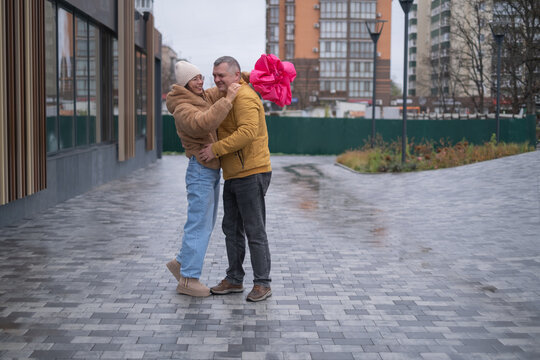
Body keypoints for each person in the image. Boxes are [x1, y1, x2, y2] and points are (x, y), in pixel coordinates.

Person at [199, 56, 273, 302]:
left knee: (254, 230)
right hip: (234, 173)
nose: (217, 79)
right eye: (215, 74)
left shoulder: (245, 97)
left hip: (251, 172)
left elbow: (247, 133)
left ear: (236, 74)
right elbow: (202, 96)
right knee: (231, 228)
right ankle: (234, 279)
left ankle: (262, 283)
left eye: (221, 75)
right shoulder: (224, 94)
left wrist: (216, 149)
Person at [165, 60, 240, 297]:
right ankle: (188, 279)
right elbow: (202, 124)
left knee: (205, 224)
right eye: (195, 78)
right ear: (184, 82)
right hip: (199, 170)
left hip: (209, 169)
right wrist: (228, 101)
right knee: (199, 225)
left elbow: (218, 88)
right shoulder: (182, 107)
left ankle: (181, 264)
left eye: (201, 77)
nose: (201, 82)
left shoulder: (200, 97)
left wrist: (242, 75)